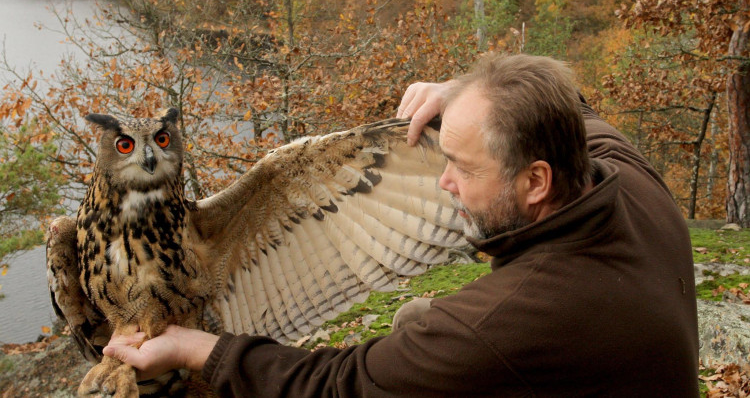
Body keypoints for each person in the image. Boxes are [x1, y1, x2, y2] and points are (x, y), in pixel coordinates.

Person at [104, 53, 699, 396]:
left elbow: (339, 386)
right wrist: (464, 94)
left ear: (534, 182)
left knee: (416, 341)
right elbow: (571, 101)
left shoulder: (507, 318)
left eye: (462, 168)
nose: (444, 182)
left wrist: (193, 348)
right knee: (416, 320)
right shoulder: (626, 176)